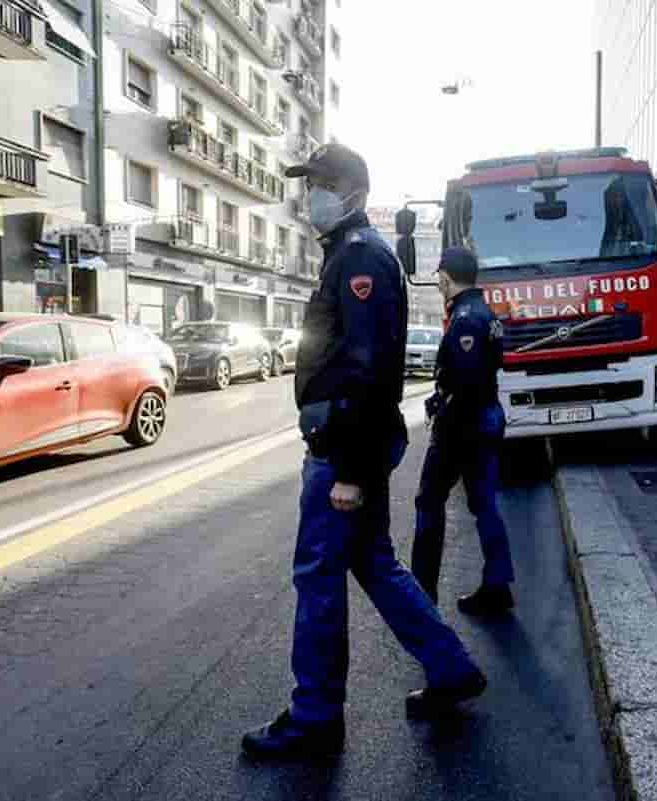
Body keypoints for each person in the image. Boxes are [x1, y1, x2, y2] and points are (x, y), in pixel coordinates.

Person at [242, 145, 486, 761]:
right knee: (375, 564)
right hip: (350, 446)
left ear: (351, 193)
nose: (309, 196)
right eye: (307, 184)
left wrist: (350, 470)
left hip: (342, 453)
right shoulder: (351, 255)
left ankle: (315, 716)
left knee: (319, 577)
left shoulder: (362, 259)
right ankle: (450, 668)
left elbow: (369, 370)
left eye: (319, 184)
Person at [412, 246, 515, 617]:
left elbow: (467, 383)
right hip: (483, 421)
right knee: (484, 505)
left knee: (429, 502)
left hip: (463, 427)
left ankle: (422, 595)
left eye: (439, 275)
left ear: (444, 276)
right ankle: (497, 585)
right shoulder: (484, 313)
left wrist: (443, 414)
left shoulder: (466, 319)